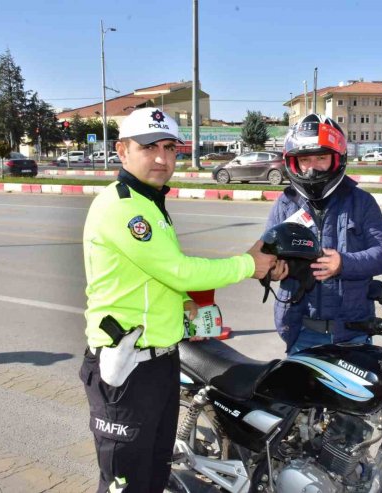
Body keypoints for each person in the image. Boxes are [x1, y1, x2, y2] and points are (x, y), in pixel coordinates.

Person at [79, 107, 276, 493]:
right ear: (121, 151)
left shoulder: (149, 202)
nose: (162, 158)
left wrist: (188, 305)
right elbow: (176, 269)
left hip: (160, 362)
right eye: (149, 147)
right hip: (127, 370)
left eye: (170, 148)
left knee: (153, 474)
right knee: (125, 483)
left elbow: (154, 279)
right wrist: (247, 265)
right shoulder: (123, 206)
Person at [266, 113, 382, 354]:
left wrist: (344, 263)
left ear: (337, 159)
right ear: (293, 162)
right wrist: (273, 271)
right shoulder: (285, 205)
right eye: (305, 159)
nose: (312, 168)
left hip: (352, 333)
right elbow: (266, 257)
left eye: (321, 158)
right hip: (301, 331)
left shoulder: (362, 202)